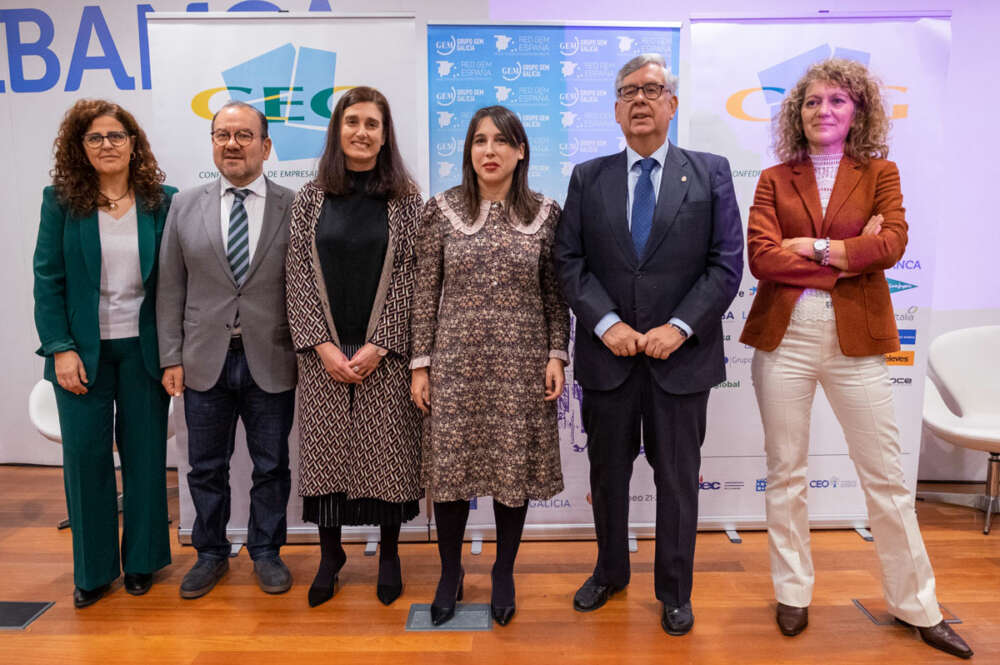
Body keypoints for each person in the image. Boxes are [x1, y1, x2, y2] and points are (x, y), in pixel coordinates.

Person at [740, 58, 972, 659]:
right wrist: (849, 254)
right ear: (798, 113)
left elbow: (891, 245)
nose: (824, 111)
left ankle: (916, 604)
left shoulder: (881, 172)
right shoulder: (772, 177)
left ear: (858, 110)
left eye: (837, 101)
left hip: (858, 340)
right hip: (783, 340)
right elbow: (763, 259)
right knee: (786, 473)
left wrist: (814, 246)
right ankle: (792, 591)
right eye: (813, 102)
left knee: (888, 479)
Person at [554, 53, 743, 636]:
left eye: (653, 89)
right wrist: (606, 322)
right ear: (614, 109)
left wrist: (679, 327)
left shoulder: (710, 172)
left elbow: (726, 264)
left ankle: (675, 590)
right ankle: (610, 572)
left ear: (672, 104)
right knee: (607, 476)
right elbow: (569, 261)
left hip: (680, 362)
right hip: (608, 360)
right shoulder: (588, 177)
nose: (640, 99)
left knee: (678, 479)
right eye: (628, 90)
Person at [410, 105, 569, 627]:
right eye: (480, 141)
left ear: (521, 151)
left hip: (521, 365)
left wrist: (555, 354)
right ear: (468, 151)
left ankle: (503, 570)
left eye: (502, 141)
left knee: (511, 472)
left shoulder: (547, 214)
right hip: (455, 366)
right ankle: (450, 571)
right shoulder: (441, 210)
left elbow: (555, 295)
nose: (490, 151)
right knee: (452, 474)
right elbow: (423, 292)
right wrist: (420, 364)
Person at [33, 99, 176, 608]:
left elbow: (173, 286)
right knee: (86, 462)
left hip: (144, 352)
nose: (107, 145)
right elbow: (47, 280)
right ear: (81, 147)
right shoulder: (60, 202)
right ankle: (93, 571)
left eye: (116, 136)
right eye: (95, 138)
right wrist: (60, 349)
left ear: (133, 143)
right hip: (81, 357)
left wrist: (173, 353)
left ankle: (141, 563)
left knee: (144, 459)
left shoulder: (162, 201)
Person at [285, 86, 423, 608]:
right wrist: (320, 345)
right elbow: (297, 274)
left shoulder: (406, 199)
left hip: (383, 355)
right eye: (352, 122)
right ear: (336, 130)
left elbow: (412, 277)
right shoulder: (310, 198)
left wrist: (380, 345)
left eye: (372, 123)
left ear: (385, 135)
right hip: (323, 354)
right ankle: (330, 556)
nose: (361, 132)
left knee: (386, 460)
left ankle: (389, 555)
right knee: (325, 461)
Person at [157, 101, 297, 599]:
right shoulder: (183, 205)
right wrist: (170, 356)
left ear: (266, 145)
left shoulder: (295, 205)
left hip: (272, 356)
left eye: (243, 135)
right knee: (206, 466)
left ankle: (266, 551)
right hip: (202, 360)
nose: (232, 144)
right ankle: (211, 553)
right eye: (222, 135)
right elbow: (170, 288)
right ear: (212, 143)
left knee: (271, 465)